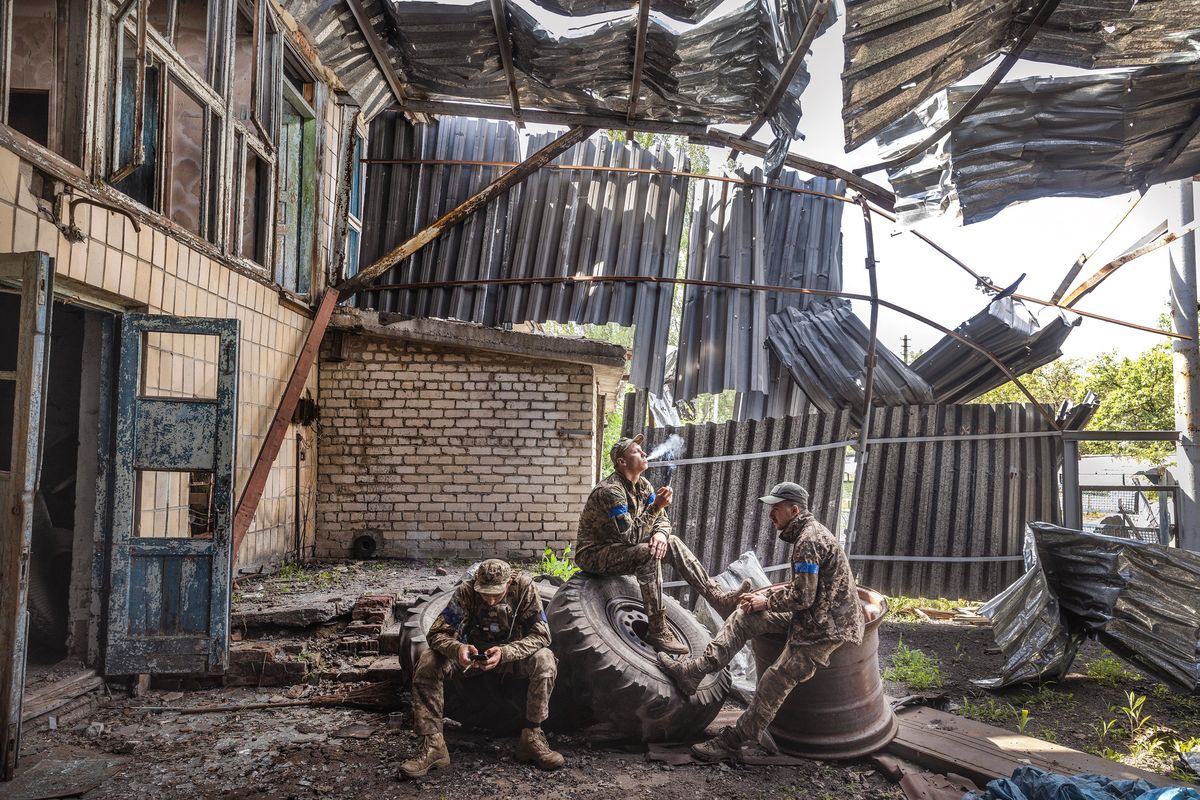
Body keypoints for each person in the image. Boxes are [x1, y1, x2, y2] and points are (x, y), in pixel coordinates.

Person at [656, 481, 864, 762]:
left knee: (774, 680)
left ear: (794, 509)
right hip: (813, 613)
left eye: (776, 509)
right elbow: (806, 589)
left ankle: (734, 741)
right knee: (746, 616)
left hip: (826, 627)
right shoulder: (806, 534)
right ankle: (695, 671)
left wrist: (767, 601)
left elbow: (803, 596)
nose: (770, 515)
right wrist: (767, 595)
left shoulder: (809, 541)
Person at [574, 435, 749, 655]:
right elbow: (630, 536)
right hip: (594, 554)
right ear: (622, 462)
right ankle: (657, 629)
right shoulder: (611, 491)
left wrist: (661, 535)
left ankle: (717, 598)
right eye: (637, 451)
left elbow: (663, 520)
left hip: (619, 547)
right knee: (648, 554)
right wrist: (656, 506)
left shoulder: (643, 486)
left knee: (672, 542)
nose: (645, 453)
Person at [399, 559, 564, 778]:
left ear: (509, 583)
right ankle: (433, 745)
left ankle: (531, 738)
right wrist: (458, 649)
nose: (491, 599)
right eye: (485, 593)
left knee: (545, 659)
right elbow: (437, 634)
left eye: (497, 593)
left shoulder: (524, 589)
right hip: (470, 656)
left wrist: (506, 653)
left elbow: (542, 635)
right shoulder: (466, 591)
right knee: (429, 660)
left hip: (510, 655)